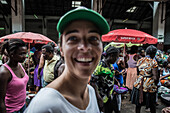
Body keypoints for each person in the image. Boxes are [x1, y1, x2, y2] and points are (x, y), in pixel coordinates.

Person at [24, 6, 110, 113]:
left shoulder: (90, 92)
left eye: (93, 38)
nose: (85, 47)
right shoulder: (44, 105)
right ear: (61, 49)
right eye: (73, 38)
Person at [0, 39, 29, 113]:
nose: (24, 56)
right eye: (21, 54)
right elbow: (1, 100)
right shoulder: (4, 72)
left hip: (22, 106)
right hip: (11, 110)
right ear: (12, 54)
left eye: (25, 53)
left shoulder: (20, 65)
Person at [90, 46, 120, 113]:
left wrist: (115, 80)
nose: (117, 59)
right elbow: (92, 82)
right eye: (116, 57)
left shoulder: (110, 65)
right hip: (102, 97)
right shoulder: (100, 66)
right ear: (112, 56)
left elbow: (109, 76)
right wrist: (98, 97)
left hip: (110, 95)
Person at [131, 45, 159, 113]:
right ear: (153, 54)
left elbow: (138, 72)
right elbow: (155, 77)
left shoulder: (140, 60)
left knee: (138, 105)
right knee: (152, 105)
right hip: (149, 86)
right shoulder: (153, 62)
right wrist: (156, 84)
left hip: (139, 84)